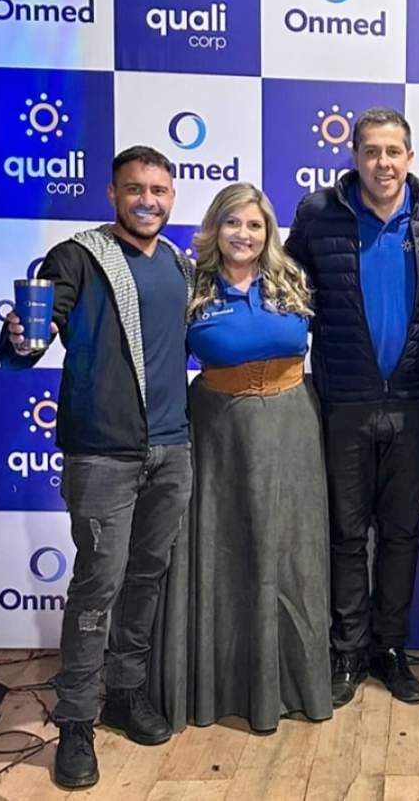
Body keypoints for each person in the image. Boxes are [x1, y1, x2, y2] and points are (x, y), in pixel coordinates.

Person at [0, 146, 193, 789]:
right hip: (102, 453)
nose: (148, 200)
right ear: (113, 194)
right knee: (95, 589)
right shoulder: (77, 257)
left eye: (159, 190)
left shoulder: (177, 263)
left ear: (172, 196)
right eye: (135, 189)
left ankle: (124, 693)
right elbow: (32, 337)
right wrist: (18, 339)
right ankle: (77, 720)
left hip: (173, 449)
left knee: (146, 579)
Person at [284, 108, 419, 707]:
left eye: (393, 152)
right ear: (355, 156)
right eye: (371, 152)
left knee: (402, 534)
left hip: (415, 405)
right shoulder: (317, 214)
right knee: (345, 534)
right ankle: (347, 651)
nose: (383, 163)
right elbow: (285, 288)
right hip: (345, 402)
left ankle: (390, 649)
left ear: (410, 157)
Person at [151, 183, 332, 732]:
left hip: (293, 429)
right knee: (224, 555)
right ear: (215, 227)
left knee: (291, 558)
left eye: (254, 225)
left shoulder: (292, 279)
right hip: (217, 435)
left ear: (268, 232)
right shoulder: (190, 285)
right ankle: (219, 688)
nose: (244, 235)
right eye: (233, 223)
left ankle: (294, 685)